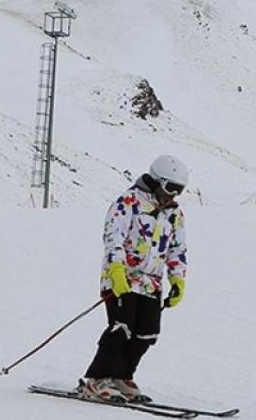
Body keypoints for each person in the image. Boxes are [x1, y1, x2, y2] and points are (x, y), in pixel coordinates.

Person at [79, 154, 190, 402]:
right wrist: (116, 270)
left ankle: (121, 376)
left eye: (179, 190)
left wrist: (177, 280)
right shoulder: (128, 202)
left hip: (151, 282)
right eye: (171, 187)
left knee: (147, 332)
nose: (174, 195)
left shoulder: (174, 213)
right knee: (122, 328)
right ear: (157, 180)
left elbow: (177, 249)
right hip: (122, 277)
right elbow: (113, 237)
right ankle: (97, 379)